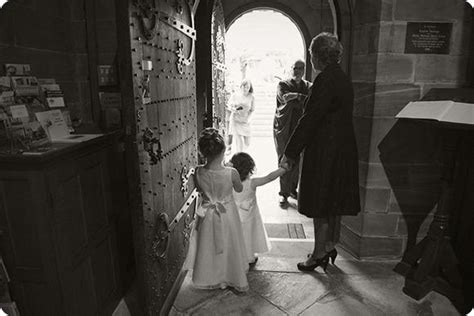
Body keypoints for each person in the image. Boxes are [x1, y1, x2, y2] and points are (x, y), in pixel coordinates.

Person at [281, 33, 361, 272]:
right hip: (341, 149)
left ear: (318, 56)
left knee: (320, 202)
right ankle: (325, 247)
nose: (311, 59)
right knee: (329, 202)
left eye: (311, 54)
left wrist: (290, 152)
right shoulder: (341, 78)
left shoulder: (325, 80)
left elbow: (310, 119)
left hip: (326, 151)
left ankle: (319, 253)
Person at [186, 128, 249, 292]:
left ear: (203, 152)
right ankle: (230, 275)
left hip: (207, 214)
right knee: (229, 242)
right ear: (223, 151)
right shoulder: (231, 172)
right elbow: (240, 188)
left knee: (208, 245)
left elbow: (200, 190)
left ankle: (210, 276)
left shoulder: (198, 171)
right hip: (227, 213)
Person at [229, 152, 289, 265]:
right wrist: (283, 170)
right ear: (250, 169)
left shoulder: (229, 182)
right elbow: (269, 177)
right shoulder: (253, 182)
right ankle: (248, 257)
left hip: (233, 215)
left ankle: (234, 255)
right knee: (248, 234)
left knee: (234, 235)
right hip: (249, 216)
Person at [273, 60, 312, 207]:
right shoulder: (283, 84)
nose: (298, 71)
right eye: (295, 68)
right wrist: (299, 97)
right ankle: (283, 193)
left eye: (300, 68)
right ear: (291, 69)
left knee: (298, 160)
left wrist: (295, 96)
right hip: (284, 128)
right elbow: (284, 98)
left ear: (304, 70)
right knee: (284, 158)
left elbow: (310, 102)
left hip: (301, 127)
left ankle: (292, 190)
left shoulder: (308, 86)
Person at [228, 79, 255, 153]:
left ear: (250, 88)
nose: (245, 88)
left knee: (247, 143)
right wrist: (233, 109)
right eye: (243, 86)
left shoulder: (251, 97)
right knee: (239, 142)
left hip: (245, 121)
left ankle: (242, 155)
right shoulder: (235, 95)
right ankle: (239, 158)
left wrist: (249, 119)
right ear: (240, 87)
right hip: (235, 120)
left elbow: (252, 110)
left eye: (247, 87)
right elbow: (229, 106)